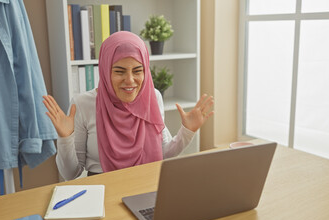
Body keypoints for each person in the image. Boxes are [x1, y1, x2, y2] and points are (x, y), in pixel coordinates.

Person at [43, 31, 213, 181]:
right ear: (104, 69)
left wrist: (187, 132)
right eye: (119, 71)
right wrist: (65, 139)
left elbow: (163, 153)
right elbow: (70, 173)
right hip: (103, 189)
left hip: (148, 184)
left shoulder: (153, 97)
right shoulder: (82, 104)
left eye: (138, 71)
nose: (130, 80)